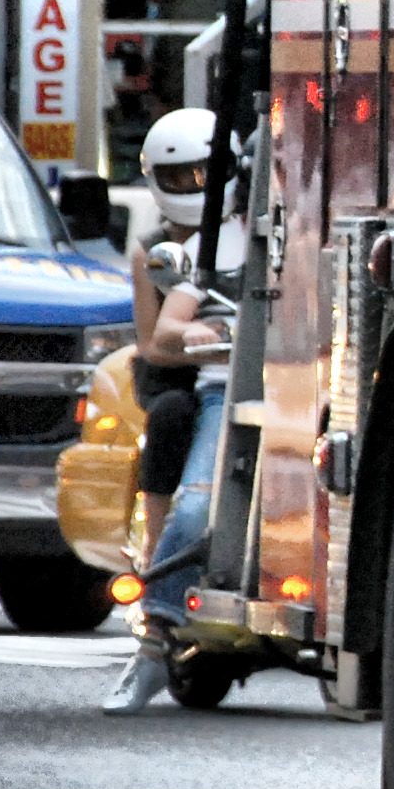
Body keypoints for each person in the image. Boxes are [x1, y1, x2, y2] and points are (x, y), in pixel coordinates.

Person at [106, 109, 236, 716]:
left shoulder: (248, 230)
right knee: (173, 418)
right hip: (187, 382)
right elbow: (155, 341)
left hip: (281, 383)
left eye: (204, 174)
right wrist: (212, 336)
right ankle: (159, 570)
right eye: (179, 178)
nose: (193, 187)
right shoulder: (171, 252)